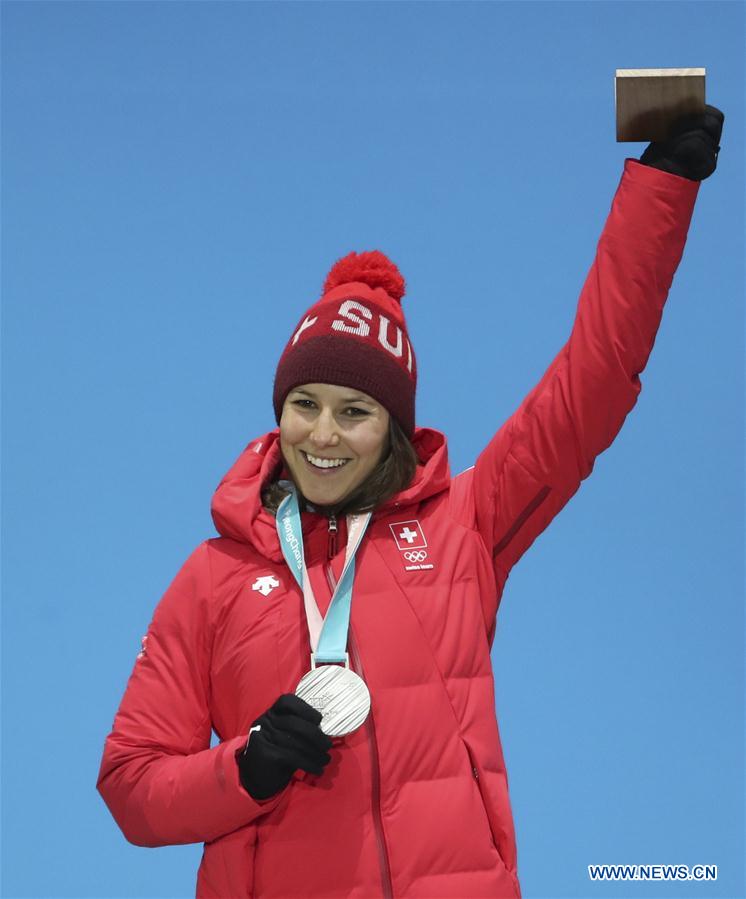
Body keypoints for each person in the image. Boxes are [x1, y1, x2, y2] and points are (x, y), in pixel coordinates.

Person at [97, 106, 724, 899]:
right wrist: (244, 766)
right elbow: (130, 783)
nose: (322, 434)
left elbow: (594, 380)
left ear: (394, 427)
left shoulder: (463, 527)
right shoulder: (213, 576)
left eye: (354, 412)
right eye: (305, 403)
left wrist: (659, 191)